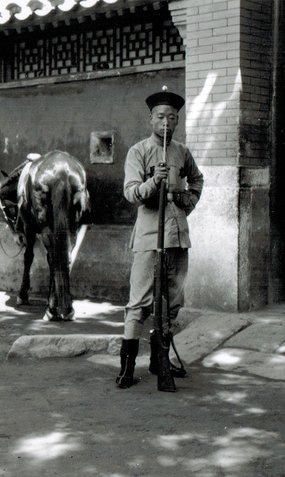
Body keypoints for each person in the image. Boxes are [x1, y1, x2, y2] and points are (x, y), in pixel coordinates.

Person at [117, 88, 204, 389]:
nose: (166, 123)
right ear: (150, 119)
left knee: (173, 303)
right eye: (161, 117)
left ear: (177, 121)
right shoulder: (137, 151)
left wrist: (185, 200)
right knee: (139, 302)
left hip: (177, 237)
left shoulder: (182, 152)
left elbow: (198, 180)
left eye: (172, 118)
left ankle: (160, 360)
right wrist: (153, 183)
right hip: (149, 236)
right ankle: (128, 367)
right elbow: (130, 193)